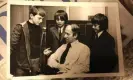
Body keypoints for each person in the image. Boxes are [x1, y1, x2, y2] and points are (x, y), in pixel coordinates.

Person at [10, 6, 46, 76]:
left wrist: (43, 51)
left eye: (42, 19)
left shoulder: (40, 29)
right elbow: (12, 46)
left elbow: (40, 46)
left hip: (36, 64)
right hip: (22, 65)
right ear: (31, 16)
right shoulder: (20, 27)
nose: (41, 21)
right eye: (39, 18)